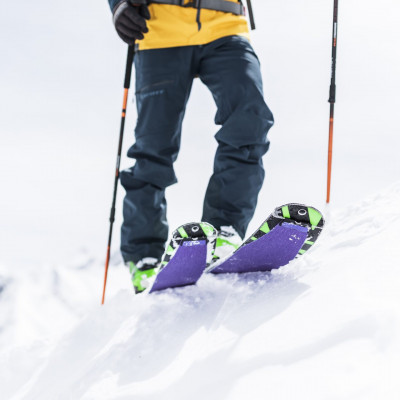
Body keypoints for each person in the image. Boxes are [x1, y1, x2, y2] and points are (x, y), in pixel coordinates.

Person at [108, 0, 274, 293]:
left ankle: (225, 228)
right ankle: (145, 256)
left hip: (226, 25)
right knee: (153, 146)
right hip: (158, 28)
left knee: (250, 119)